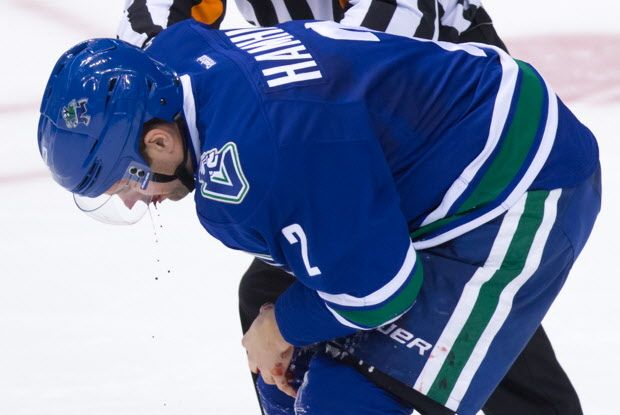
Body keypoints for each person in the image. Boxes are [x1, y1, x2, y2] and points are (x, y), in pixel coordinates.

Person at [38, 19, 600, 414]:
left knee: (346, 396)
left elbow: (380, 292)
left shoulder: (258, 164)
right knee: (263, 293)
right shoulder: (178, 64)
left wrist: (280, 328)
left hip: (518, 187)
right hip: (432, 158)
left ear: (159, 142)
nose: (133, 201)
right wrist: (276, 325)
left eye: (125, 182)